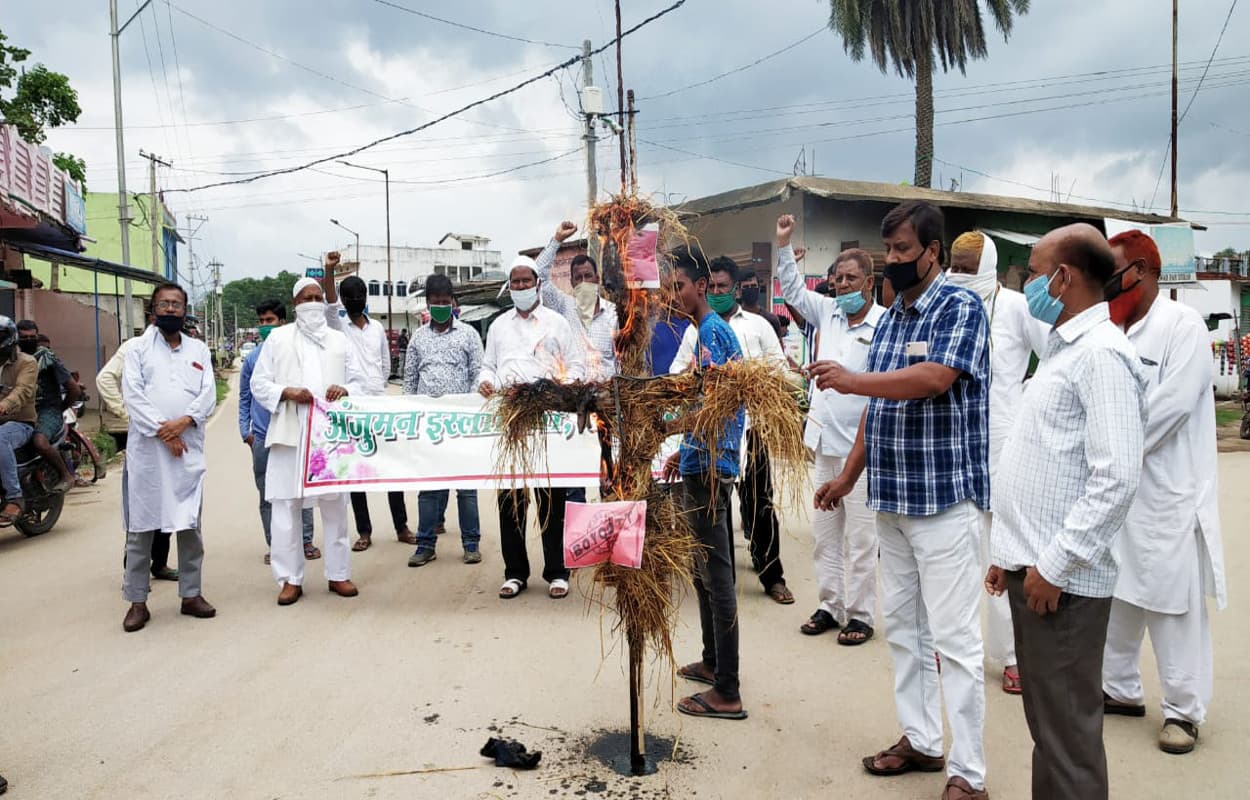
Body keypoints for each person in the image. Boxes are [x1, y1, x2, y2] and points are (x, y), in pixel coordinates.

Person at [810, 200, 991, 800]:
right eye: (887, 249)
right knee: (906, 633)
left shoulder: (959, 307)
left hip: (942, 503)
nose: (892, 259)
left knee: (955, 642)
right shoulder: (892, 320)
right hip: (890, 499)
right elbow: (877, 408)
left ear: (933, 252)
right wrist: (847, 478)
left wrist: (852, 379)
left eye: (903, 249)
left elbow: (934, 377)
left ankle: (969, 773)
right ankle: (922, 740)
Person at [986, 224, 1147, 799]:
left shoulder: (1102, 356)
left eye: (1032, 272)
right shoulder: (1064, 348)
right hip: (1035, 571)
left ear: (1063, 278)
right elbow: (1047, 460)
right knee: (1050, 730)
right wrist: (1007, 552)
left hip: (1063, 585)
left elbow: (1116, 478)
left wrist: (1054, 565)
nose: (1025, 283)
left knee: (1067, 740)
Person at [1101, 229, 1227, 755]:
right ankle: (1119, 689)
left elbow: (1170, 408)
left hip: (1170, 496)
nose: (1107, 283)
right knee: (1117, 598)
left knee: (1174, 608)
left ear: (1143, 271)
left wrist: (1109, 444)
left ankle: (1183, 710)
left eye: (1113, 272)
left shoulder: (1182, 326)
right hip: (1121, 494)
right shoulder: (1113, 330)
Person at [946, 231, 1050, 695]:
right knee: (952, 554)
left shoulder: (1016, 308)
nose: (959, 275)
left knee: (1002, 555)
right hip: (953, 445)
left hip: (1002, 447)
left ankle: (1011, 657)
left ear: (988, 267)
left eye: (968, 269)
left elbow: (1055, 356)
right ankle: (951, 644)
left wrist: (1026, 402)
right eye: (954, 267)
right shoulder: (946, 304)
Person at [774, 215, 884, 646]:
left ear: (869, 283)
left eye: (851, 278)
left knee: (862, 538)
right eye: (837, 279)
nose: (841, 285)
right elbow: (793, 290)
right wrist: (784, 244)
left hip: (862, 449)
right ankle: (830, 605)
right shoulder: (828, 313)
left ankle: (860, 614)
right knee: (825, 534)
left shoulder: (885, 326)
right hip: (824, 443)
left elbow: (882, 387)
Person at [671, 256, 795, 605]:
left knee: (759, 501)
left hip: (750, 428)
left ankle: (771, 575)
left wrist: (746, 384)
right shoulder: (696, 330)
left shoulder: (757, 325)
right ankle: (722, 576)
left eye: (723, 286)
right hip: (714, 436)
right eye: (713, 286)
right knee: (718, 508)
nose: (717, 291)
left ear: (735, 288)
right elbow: (678, 372)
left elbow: (779, 372)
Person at [662, 244, 748, 721]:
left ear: (700, 287)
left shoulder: (713, 331)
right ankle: (713, 661)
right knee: (703, 570)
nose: (673, 295)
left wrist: (668, 427)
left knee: (717, 576)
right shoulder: (704, 333)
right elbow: (711, 407)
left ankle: (727, 691)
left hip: (712, 468)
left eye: (678, 286)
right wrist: (685, 449)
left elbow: (715, 409)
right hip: (702, 458)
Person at [250, 277, 365, 606]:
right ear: (295, 304)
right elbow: (259, 383)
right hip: (290, 432)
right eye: (306, 298)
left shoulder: (339, 340)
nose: (313, 303)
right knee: (286, 508)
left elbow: (361, 381)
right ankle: (290, 579)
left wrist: (346, 389)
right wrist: (286, 392)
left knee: (335, 507)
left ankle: (338, 574)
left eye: (317, 297)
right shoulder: (278, 339)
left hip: (330, 437)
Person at [478, 255, 587, 600]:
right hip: (510, 420)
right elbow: (488, 366)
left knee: (551, 499)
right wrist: (485, 381)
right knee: (511, 499)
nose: (522, 286)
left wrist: (561, 389)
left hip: (548, 419)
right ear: (509, 287)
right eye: (516, 282)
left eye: (527, 281)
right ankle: (515, 573)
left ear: (538, 284)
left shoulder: (558, 323)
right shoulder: (499, 326)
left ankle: (557, 572)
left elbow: (577, 365)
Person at [119, 283, 217, 632]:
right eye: (165, 304)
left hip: (186, 450)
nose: (171, 309)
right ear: (153, 310)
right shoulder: (137, 348)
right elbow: (133, 395)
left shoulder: (199, 349)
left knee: (189, 525)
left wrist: (184, 423)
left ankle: (191, 595)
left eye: (177, 304)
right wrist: (165, 432)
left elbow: (208, 394)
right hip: (148, 452)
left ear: (185, 310)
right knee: (141, 527)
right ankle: (137, 602)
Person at [322, 274, 416, 551]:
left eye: (359, 296)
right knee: (356, 471)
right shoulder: (338, 327)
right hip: (352, 407)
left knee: (391, 469)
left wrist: (377, 388)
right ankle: (364, 531)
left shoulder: (376, 329)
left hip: (379, 406)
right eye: (349, 297)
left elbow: (385, 364)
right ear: (344, 299)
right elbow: (330, 306)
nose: (355, 301)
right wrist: (329, 270)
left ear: (365, 298)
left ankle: (401, 526)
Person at [402, 274, 484, 566]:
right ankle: (425, 545)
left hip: (461, 423)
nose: (440, 307)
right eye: (435, 303)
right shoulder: (418, 338)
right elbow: (410, 380)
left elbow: (478, 373)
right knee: (429, 488)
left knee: (466, 489)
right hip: (428, 424)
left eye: (445, 302)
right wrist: (410, 417)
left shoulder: (469, 335)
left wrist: (471, 410)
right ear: (427, 304)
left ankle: (471, 544)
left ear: (453, 302)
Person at [96, 322, 178, 582]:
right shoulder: (134, 347)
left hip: (173, 436)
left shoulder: (180, 349)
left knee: (168, 503)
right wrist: (125, 411)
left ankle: (160, 563)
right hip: (143, 439)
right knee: (141, 506)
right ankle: (134, 570)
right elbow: (104, 378)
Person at [239, 300, 317, 565]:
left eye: (270, 320)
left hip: (293, 433)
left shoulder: (296, 352)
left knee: (300, 489)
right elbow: (245, 396)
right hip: (262, 436)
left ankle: (305, 541)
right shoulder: (252, 358)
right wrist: (245, 431)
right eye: (261, 321)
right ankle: (275, 545)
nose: (265, 326)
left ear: (282, 322)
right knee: (267, 494)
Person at [534, 220, 620, 379]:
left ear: (597, 279)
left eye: (588, 276)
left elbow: (620, 360)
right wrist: (557, 240)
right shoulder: (563, 306)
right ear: (572, 282)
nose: (583, 282)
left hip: (605, 392)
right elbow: (538, 276)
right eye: (578, 278)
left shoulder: (613, 313)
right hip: (573, 391)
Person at [16, 319, 81, 493]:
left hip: (47, 411)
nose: (28, 340)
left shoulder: (47, 358)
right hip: (20, 411)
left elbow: (74, 389)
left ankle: (66, 475)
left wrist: (58, 409)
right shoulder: (13, 360)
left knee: (39, 442)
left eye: (32, 337)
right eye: (24, 337)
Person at [0, 317, 36, 528]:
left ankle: (14, 497)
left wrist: (4, 405)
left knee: (0, 438)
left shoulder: (27, 363)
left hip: (20, 422)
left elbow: (22, 391)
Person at [737, 267, 784, 340]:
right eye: (746, 287)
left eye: (753, 286)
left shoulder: (771, 320)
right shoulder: (733, 319)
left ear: (759, 289)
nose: (750, 289)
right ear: (739, 291)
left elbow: (778, 345)